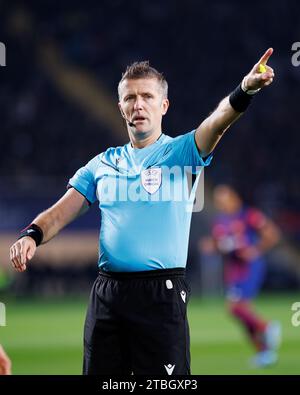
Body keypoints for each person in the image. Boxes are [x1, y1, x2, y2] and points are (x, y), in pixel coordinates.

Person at [9, 49, 275, 375]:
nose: (138, 104)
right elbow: (58, 214)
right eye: (130, 98)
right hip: (108, 296)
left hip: (160, 296)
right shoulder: (102, 164)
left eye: (147, 96)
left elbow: (218, 122)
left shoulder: (182, 152)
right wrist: (31, 236)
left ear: (163, 106)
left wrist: (245, 89)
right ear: (120, 107)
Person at [200, 184, 281, 367]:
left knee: (235, 308)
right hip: (234, 268)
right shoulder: (220, 222)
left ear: (234, 198)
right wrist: (210, 246)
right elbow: (217, 245)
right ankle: (264, 352)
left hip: (249, 266)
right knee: (239, 312)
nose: (221, 204)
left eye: (224, 199)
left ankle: (266, 327)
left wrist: (255, 249)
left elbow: (272, 234)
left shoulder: (248, 215)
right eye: (218, 201)